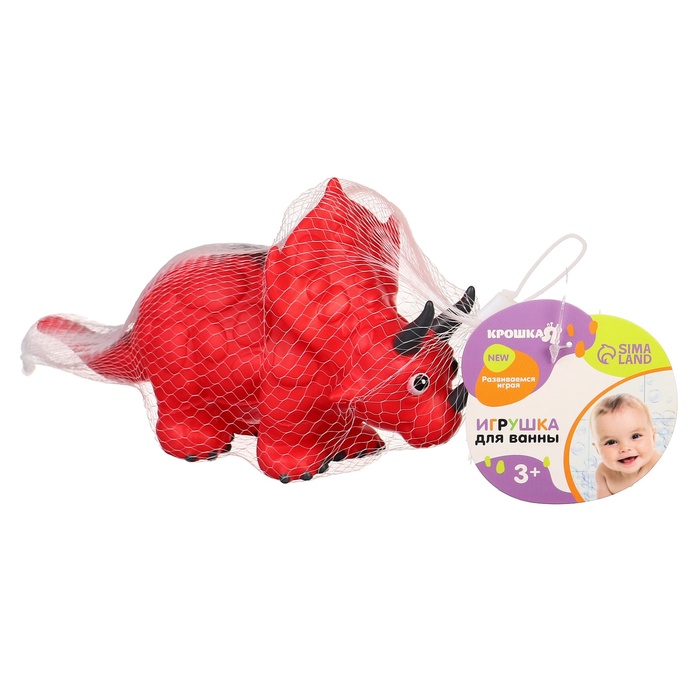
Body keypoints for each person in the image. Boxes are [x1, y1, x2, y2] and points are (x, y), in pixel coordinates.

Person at [591, 393, 661, 499]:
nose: (625, 448)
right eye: (611, 442)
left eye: (635, 436)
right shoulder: (603, 474)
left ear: (653, 437)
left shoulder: (657, 464)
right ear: (597, 449)